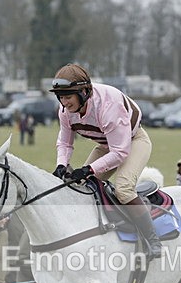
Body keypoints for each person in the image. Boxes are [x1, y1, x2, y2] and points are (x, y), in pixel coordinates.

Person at [50, 63, 160, 258]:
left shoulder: (109, 106)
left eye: (68, 97)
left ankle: (152, 239)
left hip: (133, 142)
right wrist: (61, 165)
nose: (64, 102)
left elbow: (119, 152)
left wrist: (89, 169)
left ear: (84, 92)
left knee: (123, 189)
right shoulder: (65, 112)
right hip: (106, 145)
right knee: (81, 187)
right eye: (61, 97)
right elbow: (65, 144)